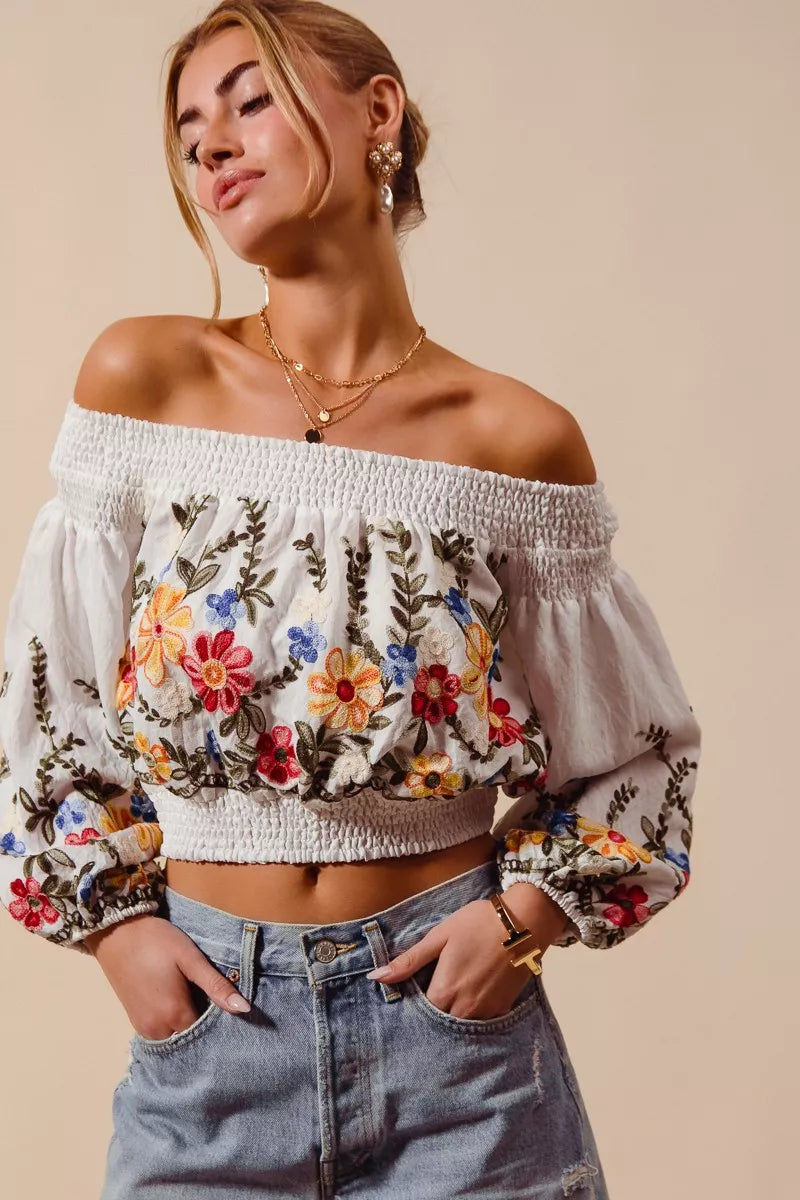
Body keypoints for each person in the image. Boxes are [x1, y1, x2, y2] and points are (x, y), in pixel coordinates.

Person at [0, 2, 701, 1196]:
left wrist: (517, 921)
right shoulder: (144, 377)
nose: (211, 143)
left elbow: (637, 755)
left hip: (458, 1054)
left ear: (376, 112)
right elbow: (45, 697)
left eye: (249, 98)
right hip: (213, 1040)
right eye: (187, 130)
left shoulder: (513, 440)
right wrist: (118, 931)